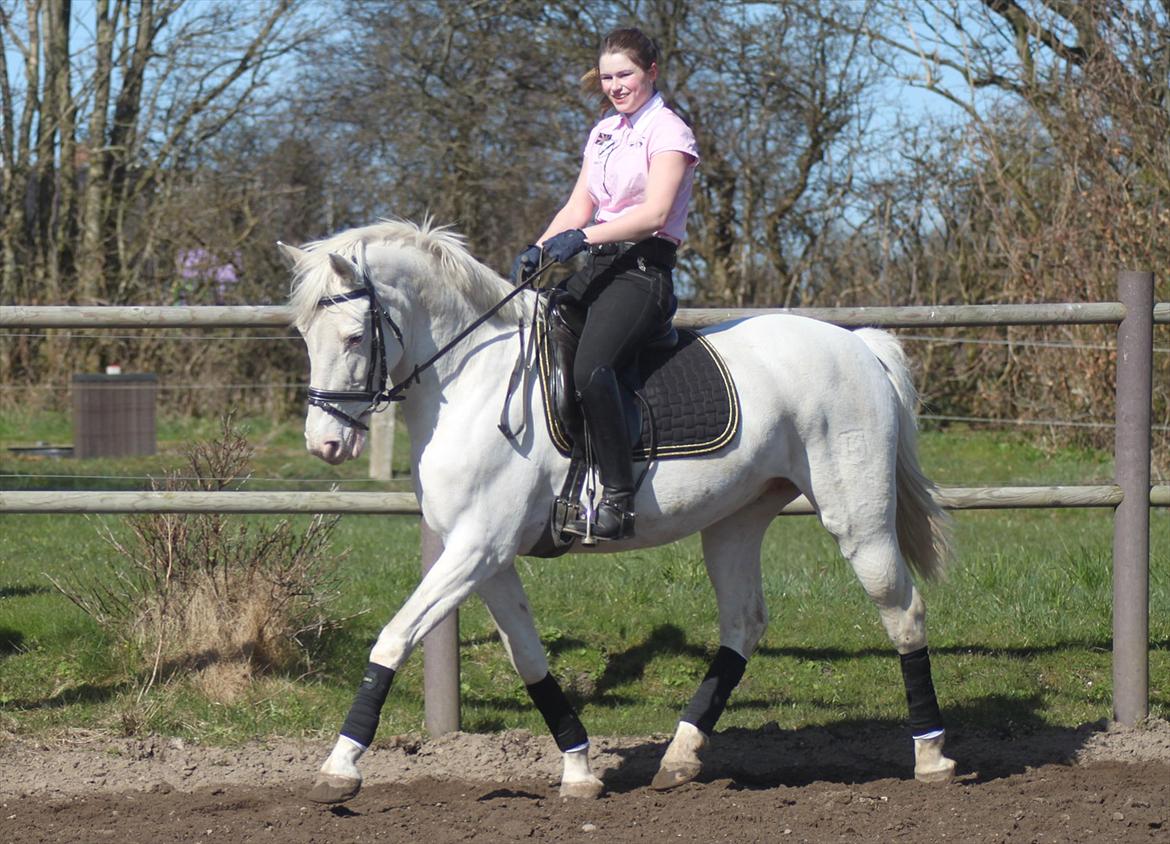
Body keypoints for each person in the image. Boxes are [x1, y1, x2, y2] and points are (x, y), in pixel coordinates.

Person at [511, 27, 699, 541]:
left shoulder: (669, 132)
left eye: (626, 75)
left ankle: (619, 497)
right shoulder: (603, 133)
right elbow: (578, 205)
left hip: (643, 271)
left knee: (593, 368)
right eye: (608, 77)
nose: (616, 86)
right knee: (537, 343)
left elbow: (654, 213)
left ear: (651, 72)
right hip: (595, 267)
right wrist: (541, 247)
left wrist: (582, 237)